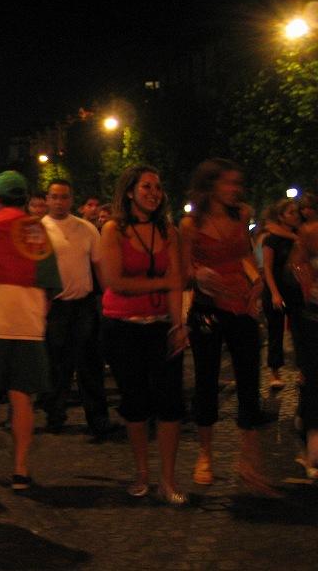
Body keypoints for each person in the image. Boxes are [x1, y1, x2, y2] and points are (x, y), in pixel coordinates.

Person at [180, 158, 277, 496]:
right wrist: (198, 274)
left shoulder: (242, 215)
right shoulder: (190, 225)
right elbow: (182, 271)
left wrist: (257, 282)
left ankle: (249, 460)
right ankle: (205, 454)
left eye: (238, 183)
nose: (236, 189)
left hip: (242, 305)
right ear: (210, 186)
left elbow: (245, 256)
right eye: (228, 183)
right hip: (208, 308)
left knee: (249, 380)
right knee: (206, 381)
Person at [0, 170, 60, 491]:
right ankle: (21, 468)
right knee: (22, 397)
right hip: (27, 322)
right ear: (25, 198)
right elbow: (49, 283)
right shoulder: (37, 230)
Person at [100, 165, 187, 505]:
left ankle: (168, 480)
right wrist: (162, 282)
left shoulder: (168, 231)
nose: (154, 193)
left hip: (161, 324)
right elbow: (114, 281)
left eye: (158, 187)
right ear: (130, 192)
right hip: (123, 326)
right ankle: (142, 473)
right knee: (135, 402)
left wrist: (178, 324)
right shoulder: (114, 230)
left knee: (171, 403)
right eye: (147, 187)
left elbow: (177, 282)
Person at [40, 179, 113, 436]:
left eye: (64, 197)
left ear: (72, 200)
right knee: (56, 366)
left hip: (83, 304)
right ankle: (55, 415)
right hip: (55, 307)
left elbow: (99, 265)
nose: (59, 202)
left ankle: (98, 418)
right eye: (54, 197)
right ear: (47, 199)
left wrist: (107, 298)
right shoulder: (39, 230)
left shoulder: (86, 229)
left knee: (90, 364)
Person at [261, 198, 302, 389]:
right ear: (281, 216)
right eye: (290, 212)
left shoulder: (298, 236)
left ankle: (303, 370)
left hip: (296, 290)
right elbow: (267, 268)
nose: (296, 216)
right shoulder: (271, 239)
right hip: (276, 289)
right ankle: (275, 373)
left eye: (296, 212)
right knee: (275, 332)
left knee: (300, 332)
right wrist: (274, 293)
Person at [290, 217, 318, 478]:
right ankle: (312, 446)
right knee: (314, 379)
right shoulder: (311, 232)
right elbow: (296, 264)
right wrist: (308, 284)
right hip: (314, 318)